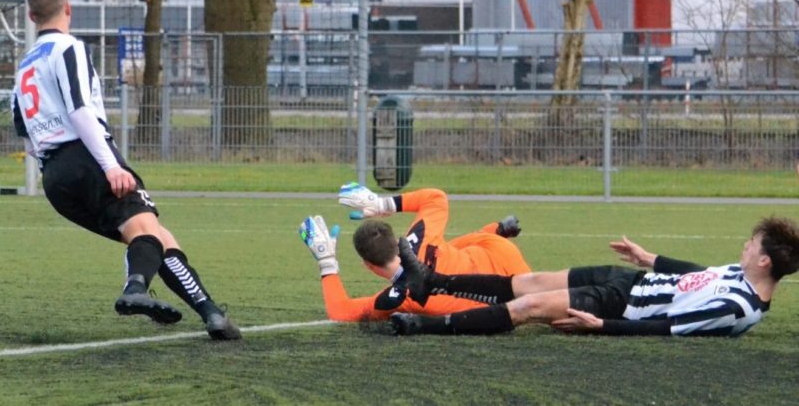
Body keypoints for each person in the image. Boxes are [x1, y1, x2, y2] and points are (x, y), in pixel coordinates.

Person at [12, 0, 240, 340]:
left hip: (55, 180)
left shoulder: (24, 65)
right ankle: (135, 288)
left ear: (30, 14)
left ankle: (211, 313)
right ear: (68, 8)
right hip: (87, 157)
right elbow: (82, 111)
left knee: (154, 237)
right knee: (147, 232)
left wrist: (53, 166)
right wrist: (110, 165)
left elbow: (23, 129)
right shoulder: (68, 48)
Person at [390, 216, 799, 337]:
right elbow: (696, 274)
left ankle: (421, 325)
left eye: (752, 244)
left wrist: (602, 326)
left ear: (764, 263)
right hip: (626, 280)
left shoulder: (738, 309)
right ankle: (431, 281)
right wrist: (648, 257)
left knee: (528, 307)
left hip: (622, 306)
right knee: (529, 282)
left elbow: (668, 327)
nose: (745, 246)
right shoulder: (737, 275)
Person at [298, 183, 532, 321]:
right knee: (451, 248)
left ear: (368, 265)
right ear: (396, 241)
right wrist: (382, 204)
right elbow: (436, 197)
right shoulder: (417, 237)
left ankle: (495, 231)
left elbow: (341, 311)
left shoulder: (400, 297)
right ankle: (496, 230)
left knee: (450, 256)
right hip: (504, 258)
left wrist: (326, 260)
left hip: (502, 300)